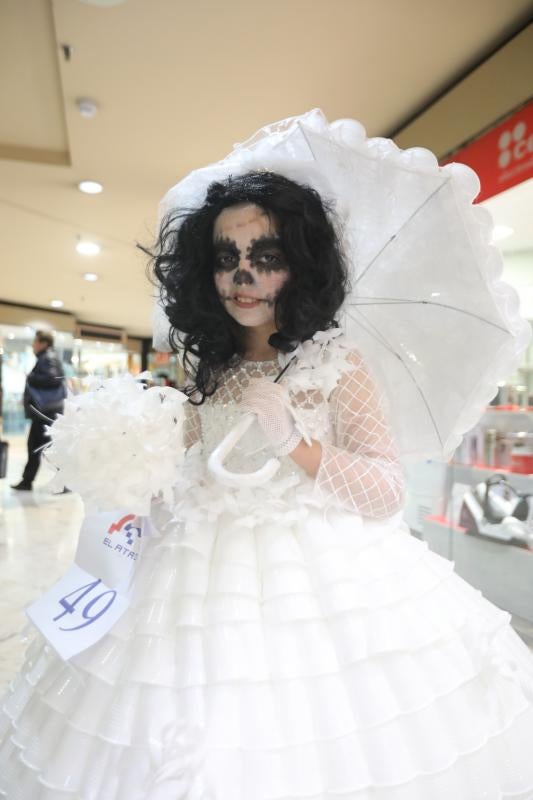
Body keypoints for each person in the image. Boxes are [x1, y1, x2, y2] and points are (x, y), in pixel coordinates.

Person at [1, 170, 533, 797]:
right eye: (227, 258)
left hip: (316, 575)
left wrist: (296, 444)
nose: (242, 276)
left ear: (301, 266)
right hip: (192, 568)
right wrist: (141, 455)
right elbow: (195, 460)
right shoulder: (211, 365)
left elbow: (386, 488)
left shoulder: (336, 361)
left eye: (267, 257)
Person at [11, 330, 66, 491]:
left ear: (44, 343)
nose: (33, 345)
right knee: (38, 447)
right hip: (45, 412)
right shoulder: (46, 357)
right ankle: (28, 481)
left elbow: (53, 378)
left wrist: (30, 377)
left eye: (36, 342)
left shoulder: (48, 358)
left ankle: (64, 483)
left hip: (45, 412)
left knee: (45, 448)